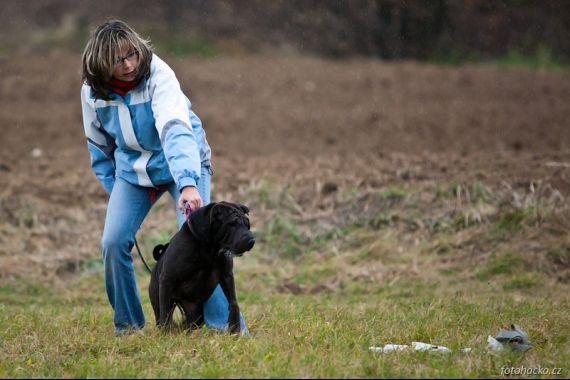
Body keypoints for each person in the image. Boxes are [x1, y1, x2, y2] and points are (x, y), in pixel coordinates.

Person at [80, 19, 248, 336]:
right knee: (113, 242)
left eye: (132, 54)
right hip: (133, 172)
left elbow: (176, 130)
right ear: (102, 64)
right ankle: (128, 327)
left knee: (203, 239)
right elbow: (100, 147)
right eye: (118, 60)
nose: (129, 64)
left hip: (181, 163)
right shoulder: (91, 93)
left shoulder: (159, 75)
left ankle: (223, 327)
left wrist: (187, 182)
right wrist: (113, 189)